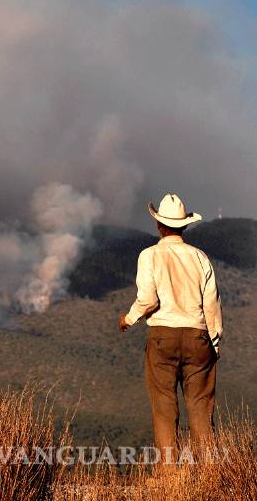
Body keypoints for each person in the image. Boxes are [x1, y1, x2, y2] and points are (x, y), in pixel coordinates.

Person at [118, 193, 222, 463]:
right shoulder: (200, 258)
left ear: (159, 225)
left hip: (163, 336)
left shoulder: (149, 255)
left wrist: (128, 319)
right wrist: (214, 343)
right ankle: (211, 474)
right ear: (185, 225)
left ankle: (171, 478)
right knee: (200, 408)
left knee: (164, 407)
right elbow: (212, 304)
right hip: (199, 336)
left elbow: (149, 299)